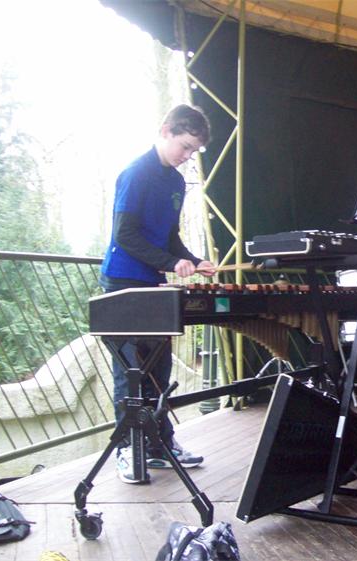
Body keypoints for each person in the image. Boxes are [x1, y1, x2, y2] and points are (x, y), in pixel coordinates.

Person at [100, 104, 215, 484]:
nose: (187, 156)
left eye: (194, 151)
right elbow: (125, 235)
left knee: (158, 371)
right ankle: (127, 448)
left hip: (151, 284)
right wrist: (170, 263)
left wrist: (193, 261)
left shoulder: (176, 183)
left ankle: (160, 444)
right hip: (121, 284)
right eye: (185, 147)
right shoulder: (136, 173)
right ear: (166, 131)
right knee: (129, 372)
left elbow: (169, 237)